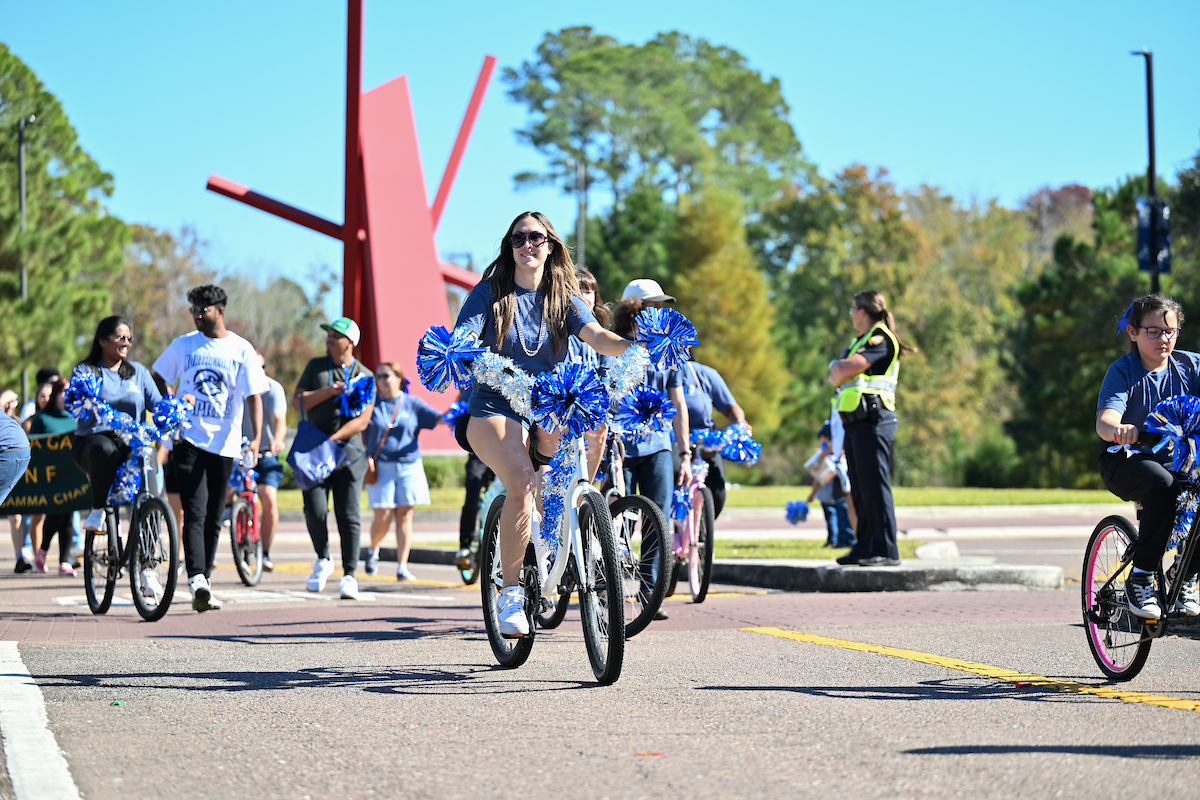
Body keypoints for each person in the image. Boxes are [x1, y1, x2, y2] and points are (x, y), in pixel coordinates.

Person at [457, 211, 641, 638]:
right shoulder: (488, 293)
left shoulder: (564, 296)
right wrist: (461, 349)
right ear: (510, 246)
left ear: (551, 245)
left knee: (559, 474)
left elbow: (597, 336)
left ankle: (560, 548)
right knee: (521, 480)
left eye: (536, 238)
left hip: (548, 404)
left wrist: (634, 345)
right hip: (494, 406)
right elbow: (463, 335)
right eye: (518, 238)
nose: (527, 245)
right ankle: (509, 594)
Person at [153, 286, 267, 612]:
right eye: (194, 309)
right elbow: (158, 374)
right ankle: (197, 580)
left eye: (203, 309)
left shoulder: (241, 349)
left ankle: (205, 579)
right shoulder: (184, 344)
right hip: (188, 438)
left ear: (219, 310)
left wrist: (256, 438)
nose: (197, 315)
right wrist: (171, 401)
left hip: (226, 442)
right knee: (196, 510)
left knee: (216, 516)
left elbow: (253, 396)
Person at [1097, 294, 1200, 619]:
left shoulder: (1191, 366)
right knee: (1164, 484)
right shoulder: (1124, 370)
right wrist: (1120, 428)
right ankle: (1140, 577)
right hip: (1125, 458)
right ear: (1133, 332)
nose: (1163, 339)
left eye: (1170, 331)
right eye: (1153, 331)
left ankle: (1184, 577)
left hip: (1179, 459)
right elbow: (1105, 420)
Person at [71, 317, 164, 588]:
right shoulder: (85, 371)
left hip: (132, 443)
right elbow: (76, 401)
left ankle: (147, 567)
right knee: (105, 449)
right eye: (120, 337)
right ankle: (99, 509)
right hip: (93, 441)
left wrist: (176, 412)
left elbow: (158, 406)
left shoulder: (138, 373)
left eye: (129, 338)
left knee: (150, 495)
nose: (126, 343)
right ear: (102, 341)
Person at [829, 290, 912, 567]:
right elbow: (840, 372)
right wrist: (839, 369)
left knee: (875, 487)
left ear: (863, 311)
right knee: (861, 489)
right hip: (856, 424)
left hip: (876, 422)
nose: (851, 314)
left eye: (853, 309)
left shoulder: (881, 339)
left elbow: (847, 369)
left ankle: (886, 549)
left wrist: (838, 368)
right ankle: (864, 546)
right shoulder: (859, 341)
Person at [293, 316, 374, 600]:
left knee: (348, 515)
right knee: (314, 509)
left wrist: (334, 440)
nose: (328, 339)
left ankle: (349, 575)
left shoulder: (365, 375)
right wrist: (329, 391)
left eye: (335, 336)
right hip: (314, 451)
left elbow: (363, 422)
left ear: (350, 342)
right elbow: (298, 401)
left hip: (348, 453)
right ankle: (323, 558)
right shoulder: (316, 366)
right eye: (327, 334)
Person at [612, 297, 692, 523]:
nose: (660, 311)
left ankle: (656, 561)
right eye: (653, 306)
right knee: (618, 522)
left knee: (659, 521)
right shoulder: (611, 346)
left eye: (661, 306)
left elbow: (678, 404)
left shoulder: (669, 352)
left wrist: (685, 455)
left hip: (658, 447)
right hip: (621, 448)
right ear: (633, 309)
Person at [363, 362, 440, 581]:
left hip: (409, 465)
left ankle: (402, 566)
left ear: (399, 378)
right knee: (383, 515)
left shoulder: (412, 404)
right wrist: (367, 454)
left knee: (405, 516)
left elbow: (439, 419)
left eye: (386, 376)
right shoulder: (372, 404)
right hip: (382, 466)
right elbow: (359, 428)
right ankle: (373, 549)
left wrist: (462, 409)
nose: (381, 381)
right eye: (378, 377)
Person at [680, 358, 749, 519]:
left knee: (717, 492)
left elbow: (730, 408)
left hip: (704, 442)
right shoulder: (657, 371)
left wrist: (740, 423)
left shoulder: (705, 374)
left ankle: (703, 533)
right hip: (673, 441)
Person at [242, 351, 287, 573]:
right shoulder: (236, 387)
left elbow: (280, 420)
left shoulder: (273, 389)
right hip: (238, 453)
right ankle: (235, 535)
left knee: (268, 497)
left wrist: (278, 439)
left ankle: (265, 551)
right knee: (224, 496)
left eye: (259, 367)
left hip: (266, 453)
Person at [28, 379, 78, 575]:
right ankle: (43, 551)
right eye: (63, 391)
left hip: (71, 474)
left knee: (68, 515)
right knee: (57, 513)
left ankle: (64, 561)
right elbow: (33, 447)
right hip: (50, 477)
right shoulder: (42, 418)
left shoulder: (74, 417)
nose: (66, 395)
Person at [805, 421, 855, 549]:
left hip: (837, 488)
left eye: (823, 436)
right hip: (827, 491)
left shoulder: (836, 450)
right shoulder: (825, 451)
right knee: (833, 515)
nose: (821, 439)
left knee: (842, 514)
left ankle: (846, 539)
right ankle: (834, 539)